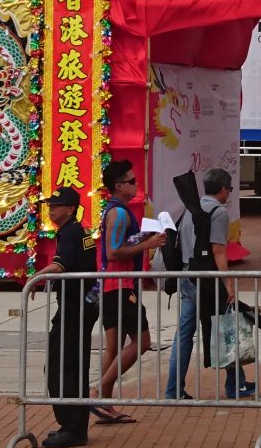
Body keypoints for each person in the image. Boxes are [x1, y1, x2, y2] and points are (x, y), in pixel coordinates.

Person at [91, 160, 164, 419]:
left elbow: (118, 245)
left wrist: (143, 238)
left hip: (113, 286)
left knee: (113, 349)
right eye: (131, 181)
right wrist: (147, 245)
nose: (135, 185)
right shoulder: (119, 213)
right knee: (142, 342)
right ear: (119, 185)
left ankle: (104, 402)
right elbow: (113, 252)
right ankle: (99, 390)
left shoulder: (116, 211)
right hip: (120, 286)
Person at [166, 170, 247, 399]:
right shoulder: (218, 213)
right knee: (226, 328)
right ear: (223, 189)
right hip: (207, 280)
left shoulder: (190, 208)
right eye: (229, 189)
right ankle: (235, 384)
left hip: (187, 275)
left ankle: (174, 388)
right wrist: (228, 283)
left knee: (185, 334)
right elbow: (218, 250)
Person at [34, 188, 96, 448]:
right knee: (72, 366)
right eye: (49, 205)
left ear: (70, 209)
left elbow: (60, 266)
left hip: (75, 308)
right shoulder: (77, 231)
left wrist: (34, 279)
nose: (51, 209)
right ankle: (74, 425)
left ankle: (73, 428)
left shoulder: (71, 233)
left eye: (56, 205)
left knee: (61, 366)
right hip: (79, 306)